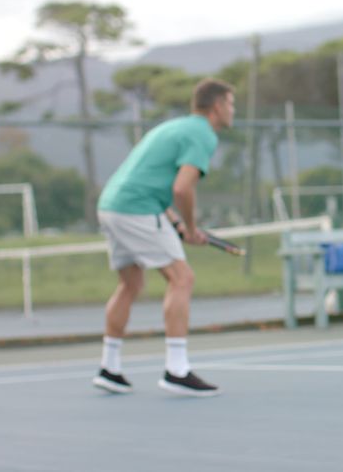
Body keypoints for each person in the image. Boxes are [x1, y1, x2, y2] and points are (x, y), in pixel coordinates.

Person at [91, 77, 235, 397]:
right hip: (136, 208)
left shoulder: (172, 128)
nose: (233, 111)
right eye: (231, 104)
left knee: (130, 284)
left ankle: (109, 368)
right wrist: (192, 226)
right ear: (217, 106)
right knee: (181, 278)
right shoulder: (202, 135)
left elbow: (151, 180)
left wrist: (175, 223)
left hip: (112, 205)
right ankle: (177, 370)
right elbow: (181, 188)